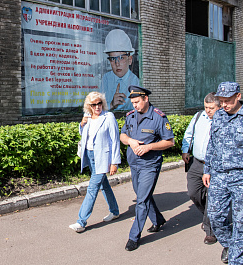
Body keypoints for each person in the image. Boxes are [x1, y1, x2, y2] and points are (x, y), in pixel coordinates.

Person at [120, 85, 174, 251]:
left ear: (146, 99)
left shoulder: (158, 117)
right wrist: (131, 141)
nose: (134, 105)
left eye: (137, 102)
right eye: (132, 103)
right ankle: (158, 220)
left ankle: (134, 236)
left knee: (142, 200)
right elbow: (122, 135)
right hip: (134, 164)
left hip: (150, 164)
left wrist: (149, 147)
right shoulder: (130, 116)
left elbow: (169, 142)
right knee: (142, 194)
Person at [202, 81, 243, 264]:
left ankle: (236, 258)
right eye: (221, 100)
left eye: (228, 100)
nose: (224, 104)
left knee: (241, 223)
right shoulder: (218, 116)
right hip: (219, 175)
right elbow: (212, 144)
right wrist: (207, 169)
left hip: (240, 177)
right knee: (215, 216)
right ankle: (231, 244)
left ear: (238, 96)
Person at [69, 92, 121, 232]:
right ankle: (115, 211)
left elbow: (115, 140)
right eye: (94, 104)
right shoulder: (88, 118)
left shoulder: (108, 117)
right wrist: (82, 124)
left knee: (92, 188)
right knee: (104, 185)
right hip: (90, 155)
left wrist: (114, 162)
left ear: (102, 103)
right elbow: (84, 135)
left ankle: (81, 222)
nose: (97, 107)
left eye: (99, 103)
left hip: (103, 158)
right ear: (89, 106)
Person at [181, 92, 220, 245]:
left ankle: (210, 231)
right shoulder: (199, 116)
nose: (208, 111)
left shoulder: (222, 121)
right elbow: (189, 133)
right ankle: (210, 216)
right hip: (196, 163)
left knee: (212, 197)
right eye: (206, 107)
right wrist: (185, 150)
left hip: (214, 166)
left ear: (219, 107)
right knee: (193, 193)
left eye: (211, 108)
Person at [101, 29, 139, 111]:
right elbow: (99, 108)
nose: (117, 63)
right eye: (112, 59)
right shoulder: (106, 79)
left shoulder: (135, 81)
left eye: (121, 58)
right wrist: (112, 104)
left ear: (130, 60)